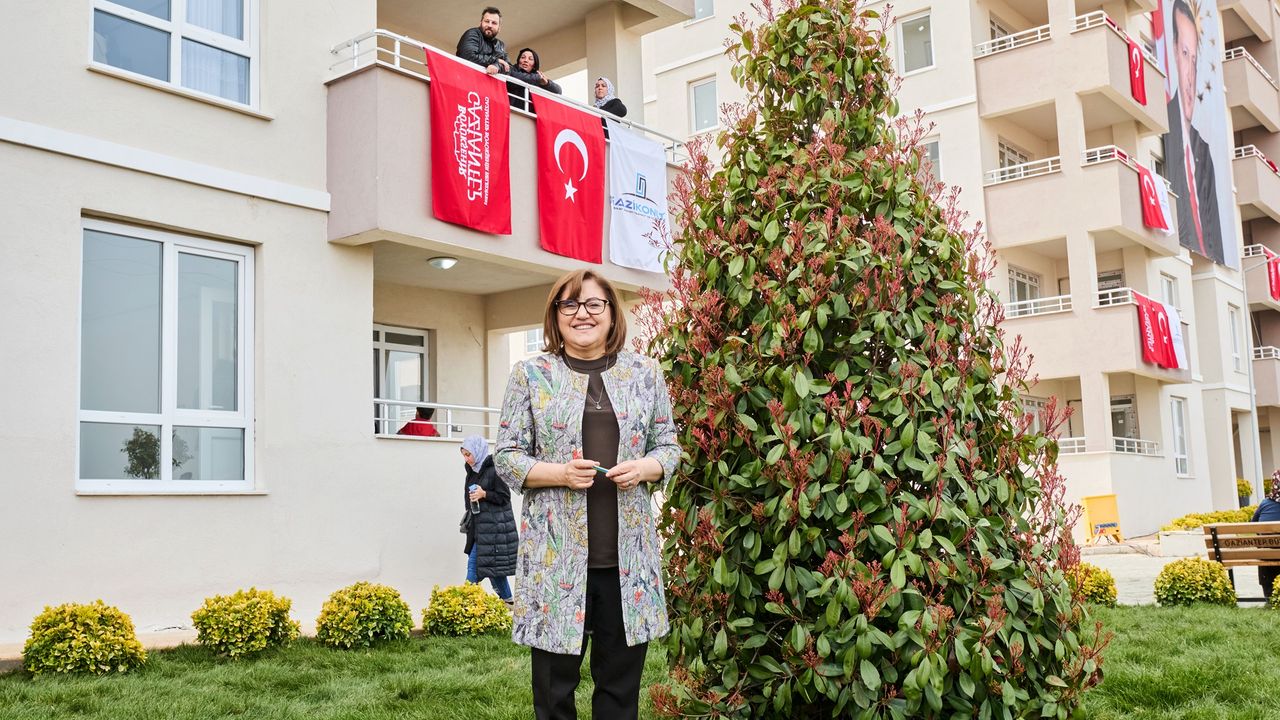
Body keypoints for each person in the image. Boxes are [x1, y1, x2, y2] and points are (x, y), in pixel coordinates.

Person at [495, 269, 679, 720]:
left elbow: (669, 446)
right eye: (570, 304)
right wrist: (559, 473)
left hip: (626, 563)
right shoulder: (530, 375)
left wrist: (645, 467)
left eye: (594, 303)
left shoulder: (645, 374)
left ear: (612, 313)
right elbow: (507, 456)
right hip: (555, 563)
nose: (582, 313)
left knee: (619, 693)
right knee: (554, 693)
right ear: (555, 315)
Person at [1163, 0, 1223, 264]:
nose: (1190, 75)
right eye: (1185, 54)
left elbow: (1217, 245)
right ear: (1174, 51)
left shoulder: (1204, 150)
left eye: (1194, 60)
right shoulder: (1163, 125)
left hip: (1204, 266)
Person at [463, 435, 517, 603]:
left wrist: (484, 494)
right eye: (464, 455)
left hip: (493, 531)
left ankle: (463, 604)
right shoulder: (471, 472)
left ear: (478, 451)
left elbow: (504, 497)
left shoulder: (495, 469)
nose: (466, 459)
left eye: (468, 454)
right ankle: (509, 602)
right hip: (478, 528)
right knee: (494, 571)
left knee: (474, 568)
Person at [456, 6, 509, 75]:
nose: (490, 25)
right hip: (464, 77)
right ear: (480, 23)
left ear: (499, 28)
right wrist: (495, 60)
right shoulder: (473, 33)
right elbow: (467, 56)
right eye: (487, 21)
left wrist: (496, 66)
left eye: (494, 23)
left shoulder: (500, 45)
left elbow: (508, 67)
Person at [1252, 471, 1280, 598]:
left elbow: (1253, 525)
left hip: (1267, 557)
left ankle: (1269, 595)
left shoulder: (1265, 504)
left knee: (1265, 549)